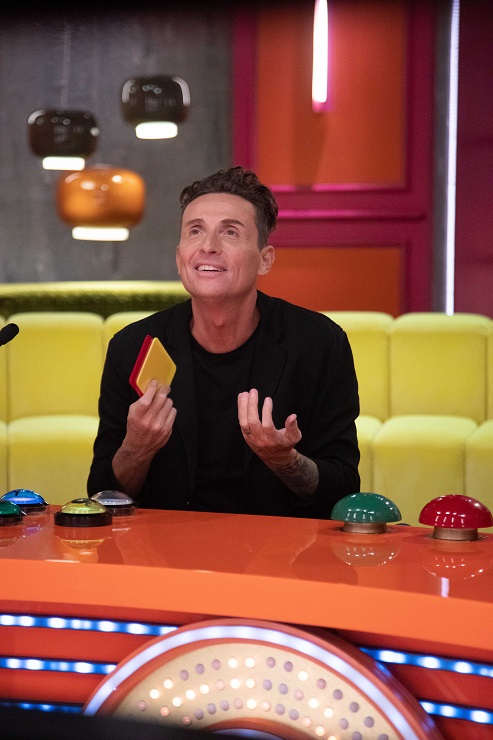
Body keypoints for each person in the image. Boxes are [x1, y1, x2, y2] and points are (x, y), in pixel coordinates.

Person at [87, 166, 360, 518]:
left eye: (230, 232)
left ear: (264, 260)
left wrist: (285, 460)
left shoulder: (320, 345)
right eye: (195, 231)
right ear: (179, 258)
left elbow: (343, 490)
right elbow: (102, 496)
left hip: (278, 546)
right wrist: (136, 449)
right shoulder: (132, 347)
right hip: (165, 545)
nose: (208, 247)